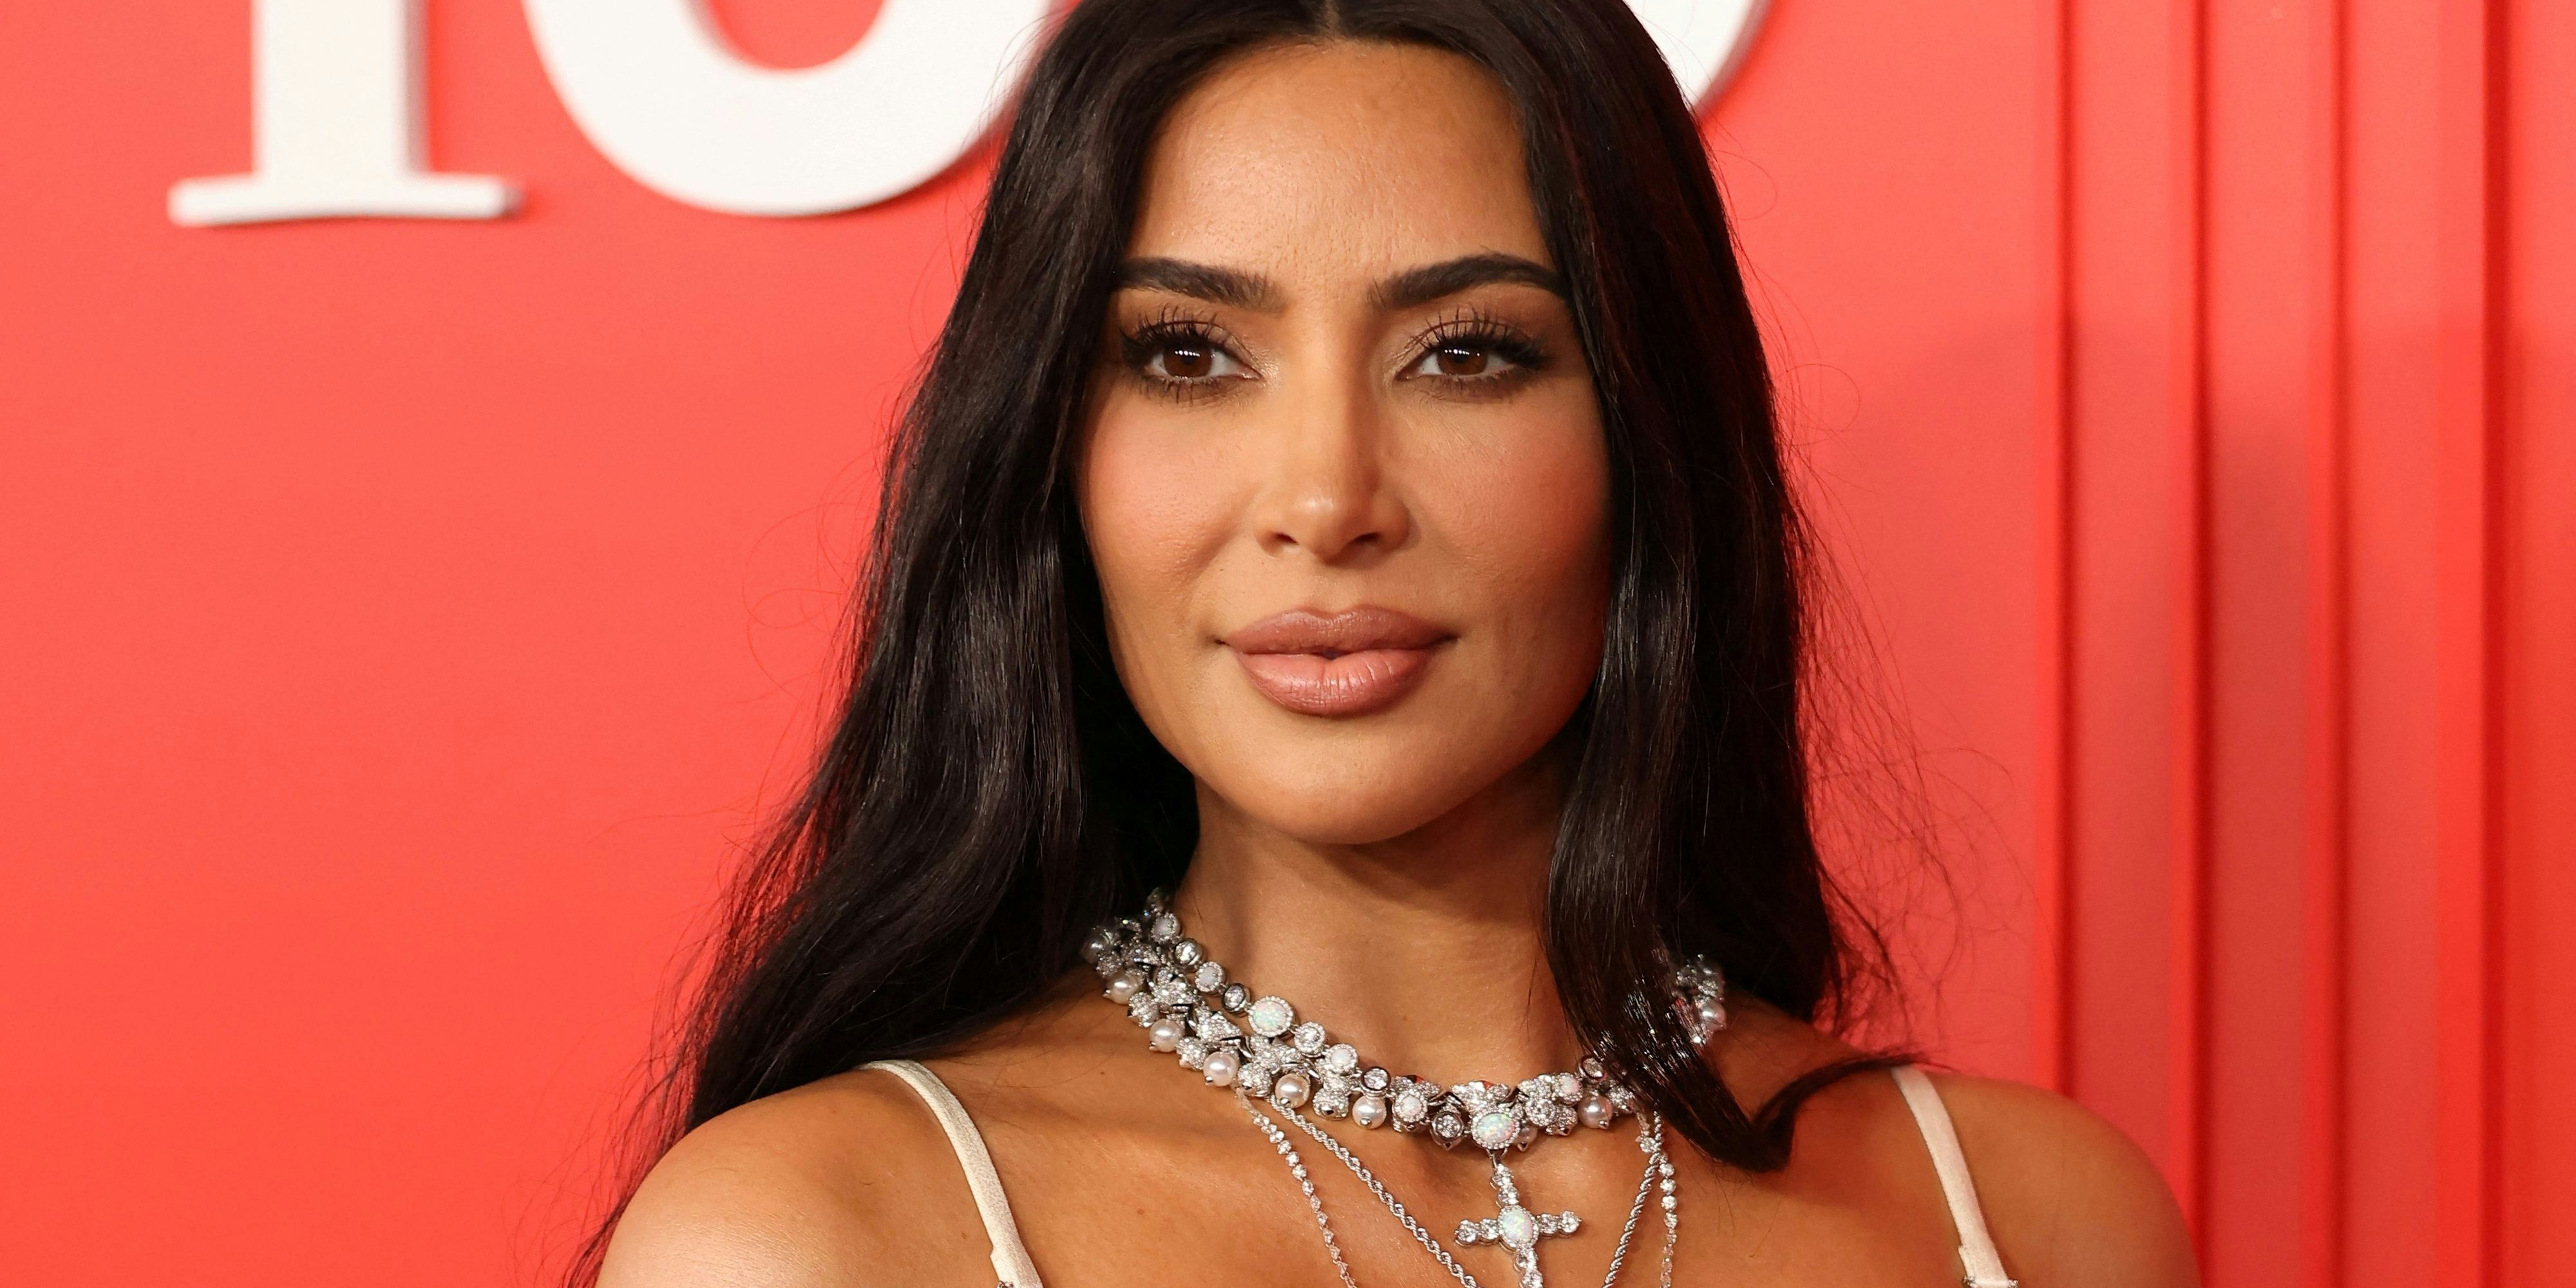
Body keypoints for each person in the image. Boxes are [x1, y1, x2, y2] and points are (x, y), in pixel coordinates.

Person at [588, 2, 2195, 1284]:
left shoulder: (2025, 1222)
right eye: (1188, 353)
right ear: (1050, 458)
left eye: (1465, 354)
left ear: (1649, 434)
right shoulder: (818, 1237)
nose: (1322, 497)